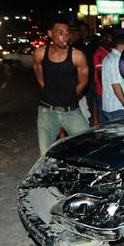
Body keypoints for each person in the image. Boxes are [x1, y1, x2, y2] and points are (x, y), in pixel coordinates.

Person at [32, 16, 90, 156]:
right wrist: (51, 93)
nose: (65, 37)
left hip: (71, 110)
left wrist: (69, 95)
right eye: (60, 32)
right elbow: (40, 77)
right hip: (47, 112)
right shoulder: (40, 53)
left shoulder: (77, 55)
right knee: (45, 154)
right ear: (50, 33)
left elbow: (84, 81)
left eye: (67, 33)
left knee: (87, 146)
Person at [101, 32, 124, 122]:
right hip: (118, 108)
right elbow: (116, 85)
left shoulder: (110, 57)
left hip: (116, 107)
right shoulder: (115, 60)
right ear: (123, 47)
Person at [91, 30, 114, 125]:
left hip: (106, 90)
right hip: (102, 91)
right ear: (104, 39)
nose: (112, 40)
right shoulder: (99, 54)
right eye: (110, 38)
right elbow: (100, 74)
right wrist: (105, 89)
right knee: (104, 116)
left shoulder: (108, 51)